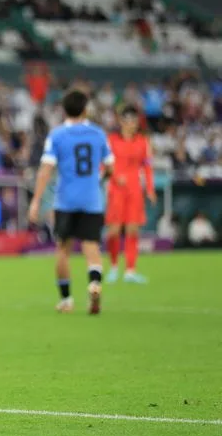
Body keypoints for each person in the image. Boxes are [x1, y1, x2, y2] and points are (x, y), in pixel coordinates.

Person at [28, 90, 115, 315]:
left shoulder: (57, 136)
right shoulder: (98, 134)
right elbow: (110, 168)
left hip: (65, 200)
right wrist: (100, 180)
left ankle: (66, 300)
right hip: (92, 199)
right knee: (92, 248)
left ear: (64, 110)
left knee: (63, 250)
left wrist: (36, 201)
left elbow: (45, 170)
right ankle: (94, 283)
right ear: (86, 109)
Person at [104, 105, 155, 284]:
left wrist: (150, 189)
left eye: (134, 121)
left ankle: (130, 270)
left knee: (133, 229)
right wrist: (116, 177)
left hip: (134, 189)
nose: (131, 124)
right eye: (127, 121)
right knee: (114, 230)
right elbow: (103, 165)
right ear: (121, 122)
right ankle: (114, 266)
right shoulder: (111, 140)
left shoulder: (143, 142)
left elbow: (147, 167)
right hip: (116, 189)